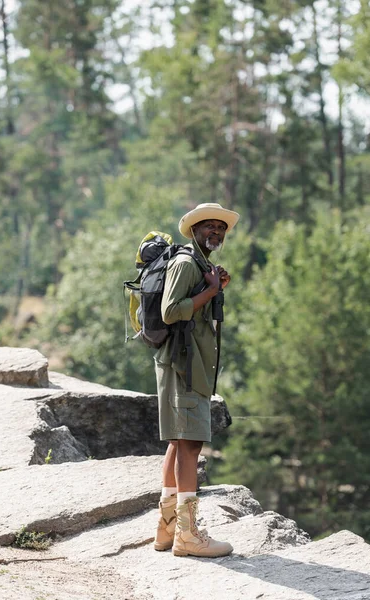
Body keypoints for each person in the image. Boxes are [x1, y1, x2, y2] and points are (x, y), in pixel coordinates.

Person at [153, 202, 240, 558]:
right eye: (209, 227)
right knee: (190, 445)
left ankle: (167, 530)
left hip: (189, 365)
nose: (216, 233)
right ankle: (188, 537)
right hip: (184, 366)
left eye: (221, 228)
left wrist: (214, 286)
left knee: (177, 444)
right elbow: (171, 311)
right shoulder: (186, 263)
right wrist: (209, 291)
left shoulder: (199, 265)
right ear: (194, 229)